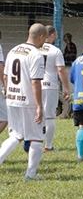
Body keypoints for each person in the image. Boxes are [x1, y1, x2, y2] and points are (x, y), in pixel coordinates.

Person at [0, 24, 47, 180]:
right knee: (37, 137)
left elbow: (6, 77)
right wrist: (40, 106)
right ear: (40, 37)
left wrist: (8, 91)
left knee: (15, 135)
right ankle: (31, 174)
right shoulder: (36, 54)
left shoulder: (13, 50)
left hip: (12, 99)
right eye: (45, 39)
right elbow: (35, 82)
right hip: (29, 102)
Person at [38, 26, 70, 152]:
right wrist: (66, 87)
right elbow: (61, 70)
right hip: (49, 85)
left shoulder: (35, 49)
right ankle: (48, 146)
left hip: (35, 85)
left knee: (36, 115)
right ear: (51, 35)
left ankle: (33, 142)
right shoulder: (55, 51)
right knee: (50, 116)